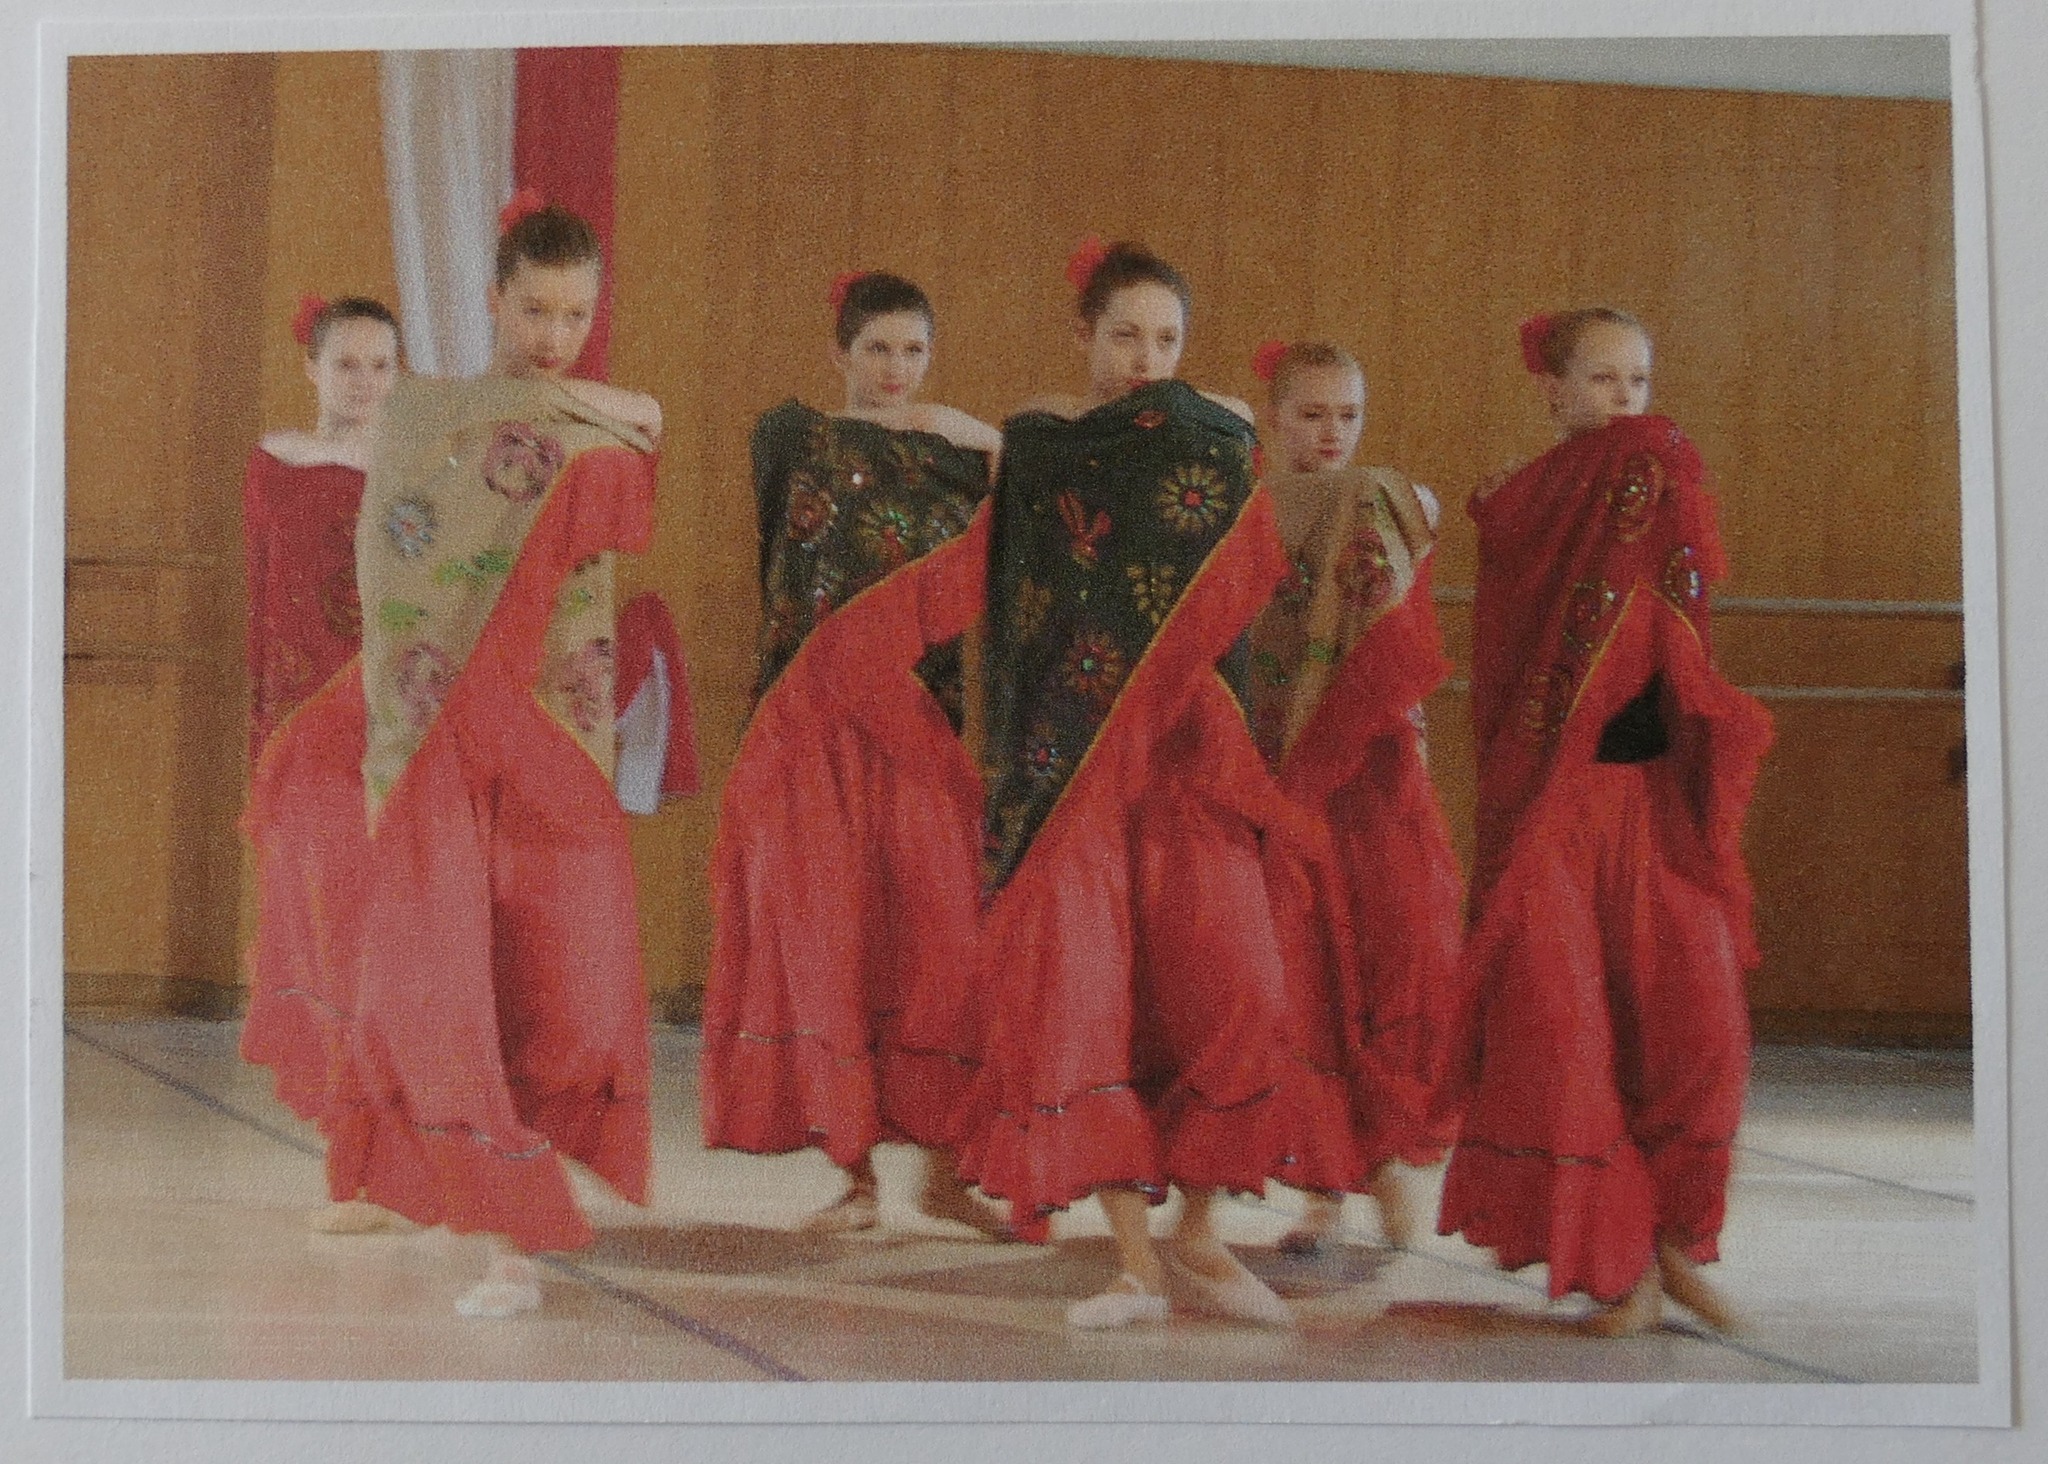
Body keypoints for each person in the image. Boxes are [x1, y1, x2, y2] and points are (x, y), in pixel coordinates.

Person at [241, 191, 665, 1318]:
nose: (554, 336)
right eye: (534, 311)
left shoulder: (602, 421)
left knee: (563, 982)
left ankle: (511, 1211)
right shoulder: (426, 418)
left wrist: (563, 405)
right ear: (493, 301)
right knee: (447, 986)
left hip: (550, 742)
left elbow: (641, 449)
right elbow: (393, 572)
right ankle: (509, 1238)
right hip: (439, 735)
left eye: (575, 315)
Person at [951, 239, 1360, 1330]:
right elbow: (1016, 604)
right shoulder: (1040, 448)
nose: (1145, 359)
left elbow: (1238, 587)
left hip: (1191, 763)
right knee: (1082, 1007)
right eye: (1124, 335)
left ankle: (1197, 1233)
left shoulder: (1212, 439)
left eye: (1166, 339)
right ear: (1082, 333)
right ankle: (1133, 1263)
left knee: (1236, 991)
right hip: (1074, 767)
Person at [1435, 309, 1773, 1336]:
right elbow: (1511, 656)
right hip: (1557, 809)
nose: (1626, 400)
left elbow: (1682, 614)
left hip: (1653, 802)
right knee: (1565, 1035)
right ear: (1553, 390)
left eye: (1637, 379)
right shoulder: (1540, 498)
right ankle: (1616, 1268)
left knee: (1697, 1029)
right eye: (1600, 379)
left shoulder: (1653, 473)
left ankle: (1673, 1247)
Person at [701, 270, 1006, 1238]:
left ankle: (947, 1171)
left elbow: (1025, 468)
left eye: (914, 351)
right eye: (876, 348)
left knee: (941, 946)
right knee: (830, 942)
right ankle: (858, 1180)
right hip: (811, 728)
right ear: (838, 351)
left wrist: (950, 423)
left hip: (916, 730)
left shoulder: (953, 456)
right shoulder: (793, 439)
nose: (895, 369)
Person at [1244, 339, 1469, 1256]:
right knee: (1306, 979)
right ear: (1274, 419)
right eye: (1311, 415)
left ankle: (1388, 1166)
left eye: (1348, 415)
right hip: (1282, 772)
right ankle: (1328, 1189)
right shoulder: (1248, 511)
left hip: (1372, 780)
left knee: (1395, 955)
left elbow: (1417, 540)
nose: (1332, 433)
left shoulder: (1380, 497)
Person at [243, 295, 400, 766]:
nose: (364, 382)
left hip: (381, 673)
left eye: (380, 366)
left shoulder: (412, 468)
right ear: (312, 367)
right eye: (347, 365)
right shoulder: (277, 458)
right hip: (297, 670)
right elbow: (259, 580)